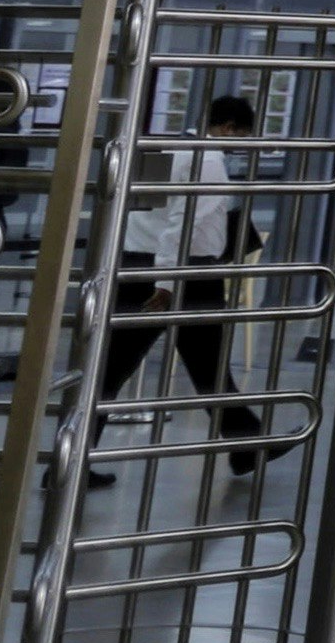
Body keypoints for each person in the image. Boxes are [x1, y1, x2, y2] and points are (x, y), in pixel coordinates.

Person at [96, 92, 269, 484]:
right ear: (228, 128)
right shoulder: (208, 160)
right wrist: (165, 281)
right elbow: (182, 224)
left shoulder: (165, 146)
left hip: (139, 263)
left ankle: (249, 444)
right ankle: (249, 444)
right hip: (184, 275)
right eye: (241, 136)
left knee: (115, 369)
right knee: (206, 365)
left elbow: (141, 213)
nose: (240, 145)